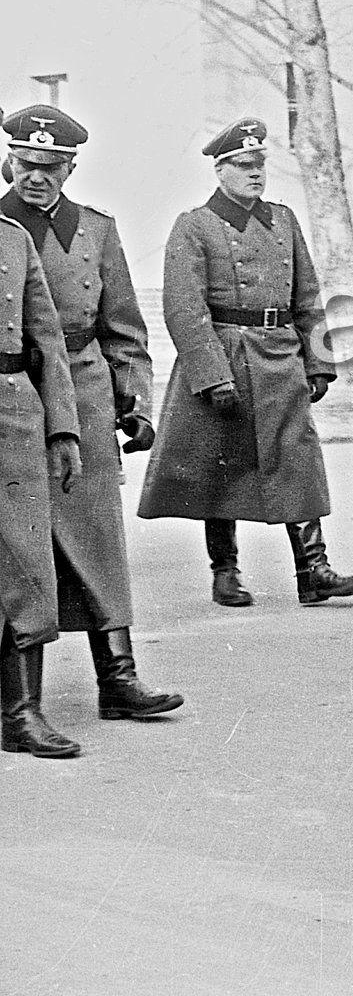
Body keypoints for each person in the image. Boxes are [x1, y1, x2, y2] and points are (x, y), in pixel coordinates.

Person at [137, 119, 353, 609]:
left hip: (280, 354)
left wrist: (319, 363)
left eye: (259, 165)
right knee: (220, 466)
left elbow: (307, 295)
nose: (254, 174)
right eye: (243, 166)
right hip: (226, 354)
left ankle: (314, 570)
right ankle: (225, 572)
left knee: (297, 459)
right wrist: (212, 375)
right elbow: (184, 309)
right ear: (220, 170)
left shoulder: (283, 220)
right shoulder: (194, 225)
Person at [0, 105, 180, 721]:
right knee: (18, 546)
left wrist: (136, 400)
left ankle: (119, 678)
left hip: (87, 387)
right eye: (25, 164)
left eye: (50, 167)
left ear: (70, 167)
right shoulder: (1, 225)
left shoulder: (97, 230)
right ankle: (23, 702)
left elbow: (124, 328)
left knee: (99, 537)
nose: (35, 177)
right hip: (18, 391)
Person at [0, 201, 84, 757]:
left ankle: (22, 710)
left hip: (12, 409)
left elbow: (47, 338)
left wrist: (62, 430)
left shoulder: (11, 238)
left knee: (27, 560)